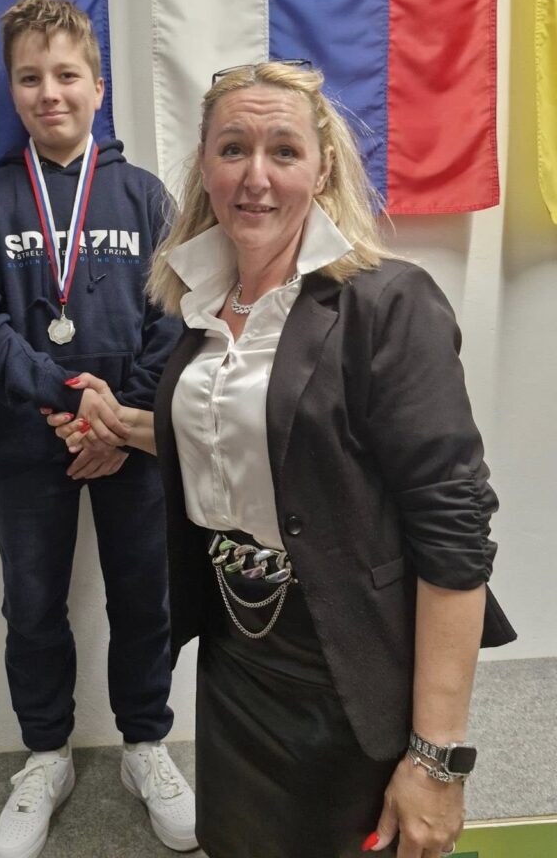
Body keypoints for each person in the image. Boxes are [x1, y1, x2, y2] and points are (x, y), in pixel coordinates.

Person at [46, 61, 516, 858]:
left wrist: (437, 761)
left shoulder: (387, 304)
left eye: (284, 151)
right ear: (205, 166)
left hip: (351, 666)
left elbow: (455, 534)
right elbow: (256, 442)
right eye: (233, 149)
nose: (255, 176)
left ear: (322, 169)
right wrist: (126, 425)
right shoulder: (201, 306)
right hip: (238, 656)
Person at [0, 0, 197, 858]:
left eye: (66, 75)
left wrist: (117, 423)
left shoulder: (146, 197)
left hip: (136, 442)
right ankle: (46, 756)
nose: (50, 92)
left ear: (98, 86)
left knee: (146, 599)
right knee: (34, 604)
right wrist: (67, 402)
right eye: (30, 77)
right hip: (27, 442)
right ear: (11, 89)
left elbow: (175, 315)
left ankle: (145, 746)